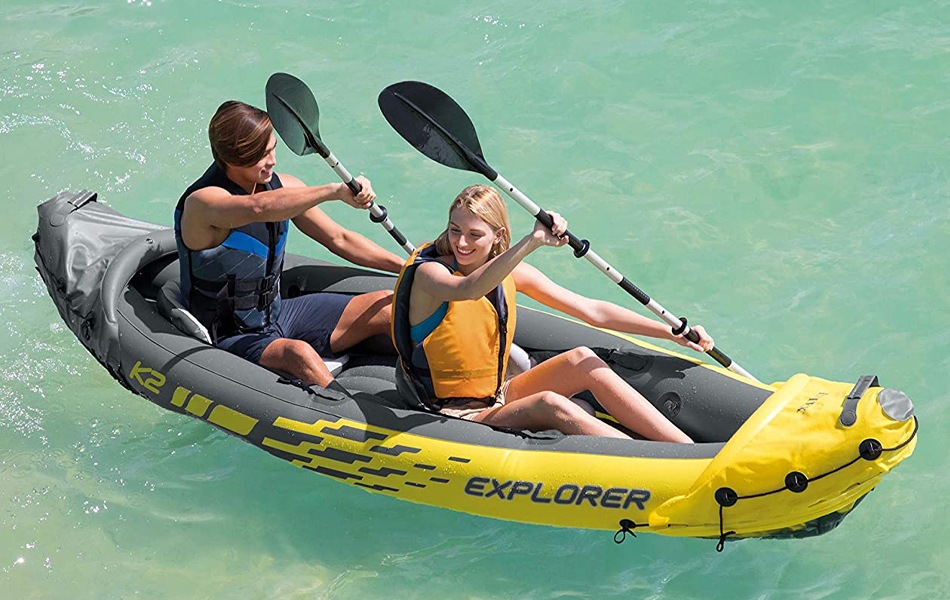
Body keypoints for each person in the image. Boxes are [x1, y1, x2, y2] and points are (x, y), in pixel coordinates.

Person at [392, 185, 716, 442]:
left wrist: (673, 332)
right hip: (449, 413)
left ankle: (684, 449)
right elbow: (468, 291)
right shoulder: (430, 275)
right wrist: (533, 241)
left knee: (582, 360)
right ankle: (657, 464)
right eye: (454, 230)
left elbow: (592, 310)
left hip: (495, 395)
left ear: (497, 237)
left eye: (474, 234)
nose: (461, 242)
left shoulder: (511, 275)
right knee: (550, 403)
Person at [174, 100, 404, 388]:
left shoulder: (285, 187)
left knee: (389, 306)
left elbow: (339, 239)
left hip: (278, 314)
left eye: (272, 149)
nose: (272, 161)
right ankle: (347, 411)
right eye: (262, 155)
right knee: (299, 353)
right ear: (233, 158)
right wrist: (334, 191)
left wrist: (408, 266)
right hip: (229, 335)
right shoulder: (204, 204)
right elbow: (258, 208)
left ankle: (442, 384)